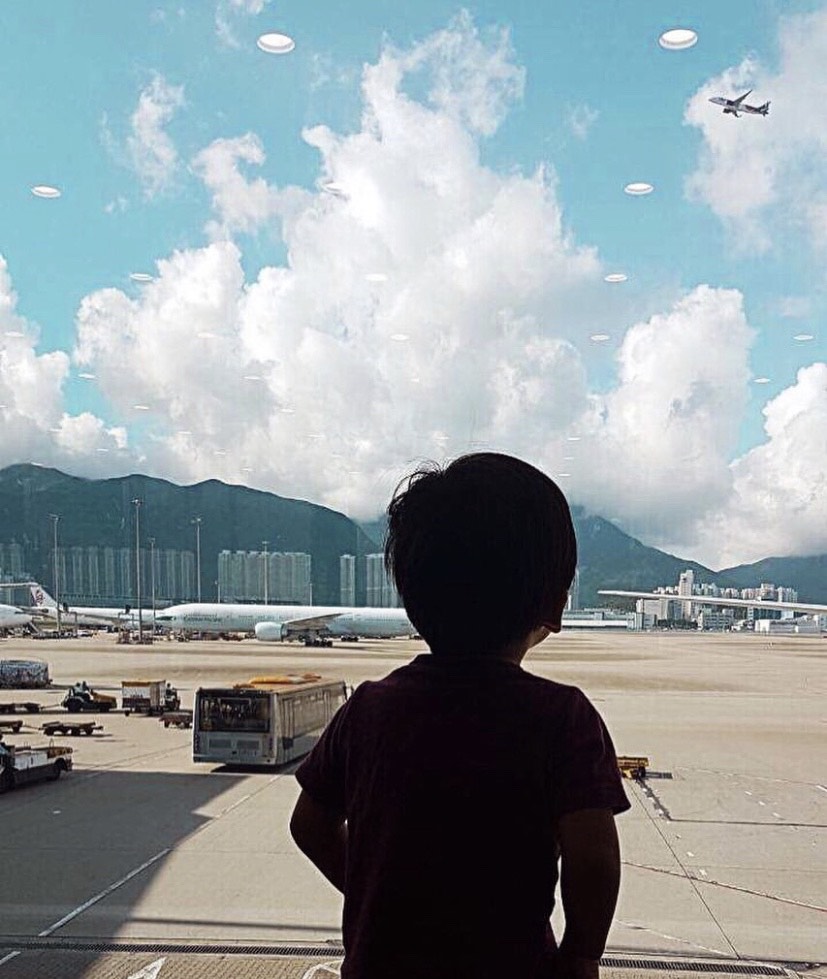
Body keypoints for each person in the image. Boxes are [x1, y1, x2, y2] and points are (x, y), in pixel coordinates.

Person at [290, 452, 630, 979]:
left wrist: (377, 898)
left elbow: (309, 825)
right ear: (555, 606)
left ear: (412, 594)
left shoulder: (369, 708)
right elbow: (594, 858)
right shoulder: (563, 718)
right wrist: (581, 957)